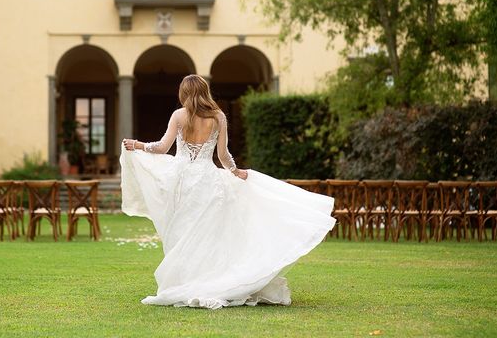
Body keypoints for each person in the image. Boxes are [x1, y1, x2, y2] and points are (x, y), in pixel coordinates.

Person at [120, 74, 336, 310]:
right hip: (207, 180)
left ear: (184, 93)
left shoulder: (179, 115)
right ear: (205, 92)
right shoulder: (218, 117)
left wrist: (138, 145)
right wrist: (234, 170)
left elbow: (162, 147)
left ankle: (189, 281)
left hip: (181, 181)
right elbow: (222, 155)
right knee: (210, 234)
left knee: (183, 232)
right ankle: (212, 280)